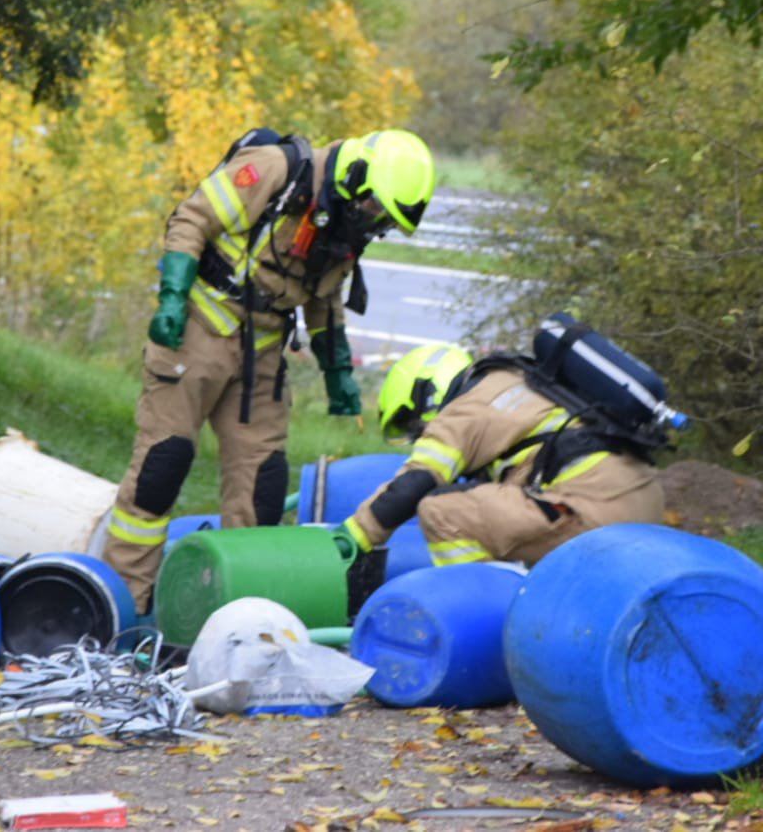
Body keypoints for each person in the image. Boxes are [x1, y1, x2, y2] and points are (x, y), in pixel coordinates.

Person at [103, 128, 437, 612]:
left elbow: (324, 298)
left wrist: (337, 371)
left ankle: (237, 610)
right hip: (198, 330)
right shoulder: (275, 170)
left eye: (383, 220)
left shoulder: (345, 222)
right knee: (162, 466)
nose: (373, 223)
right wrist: (172, 299)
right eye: (376, 210)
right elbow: (190, 221)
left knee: (262, 488)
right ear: (356, 179)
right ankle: (125, 602)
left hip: (262, 355)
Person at [333, 338, 666, 569]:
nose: (420, 432)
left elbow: (414, 484)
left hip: (593, 512)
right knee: (501, 509)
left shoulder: (464, 410)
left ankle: (491, 622)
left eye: (414, 423)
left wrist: (353, 537)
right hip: (644, 504)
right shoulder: (519, 381)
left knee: (442, 510)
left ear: (427, 394)